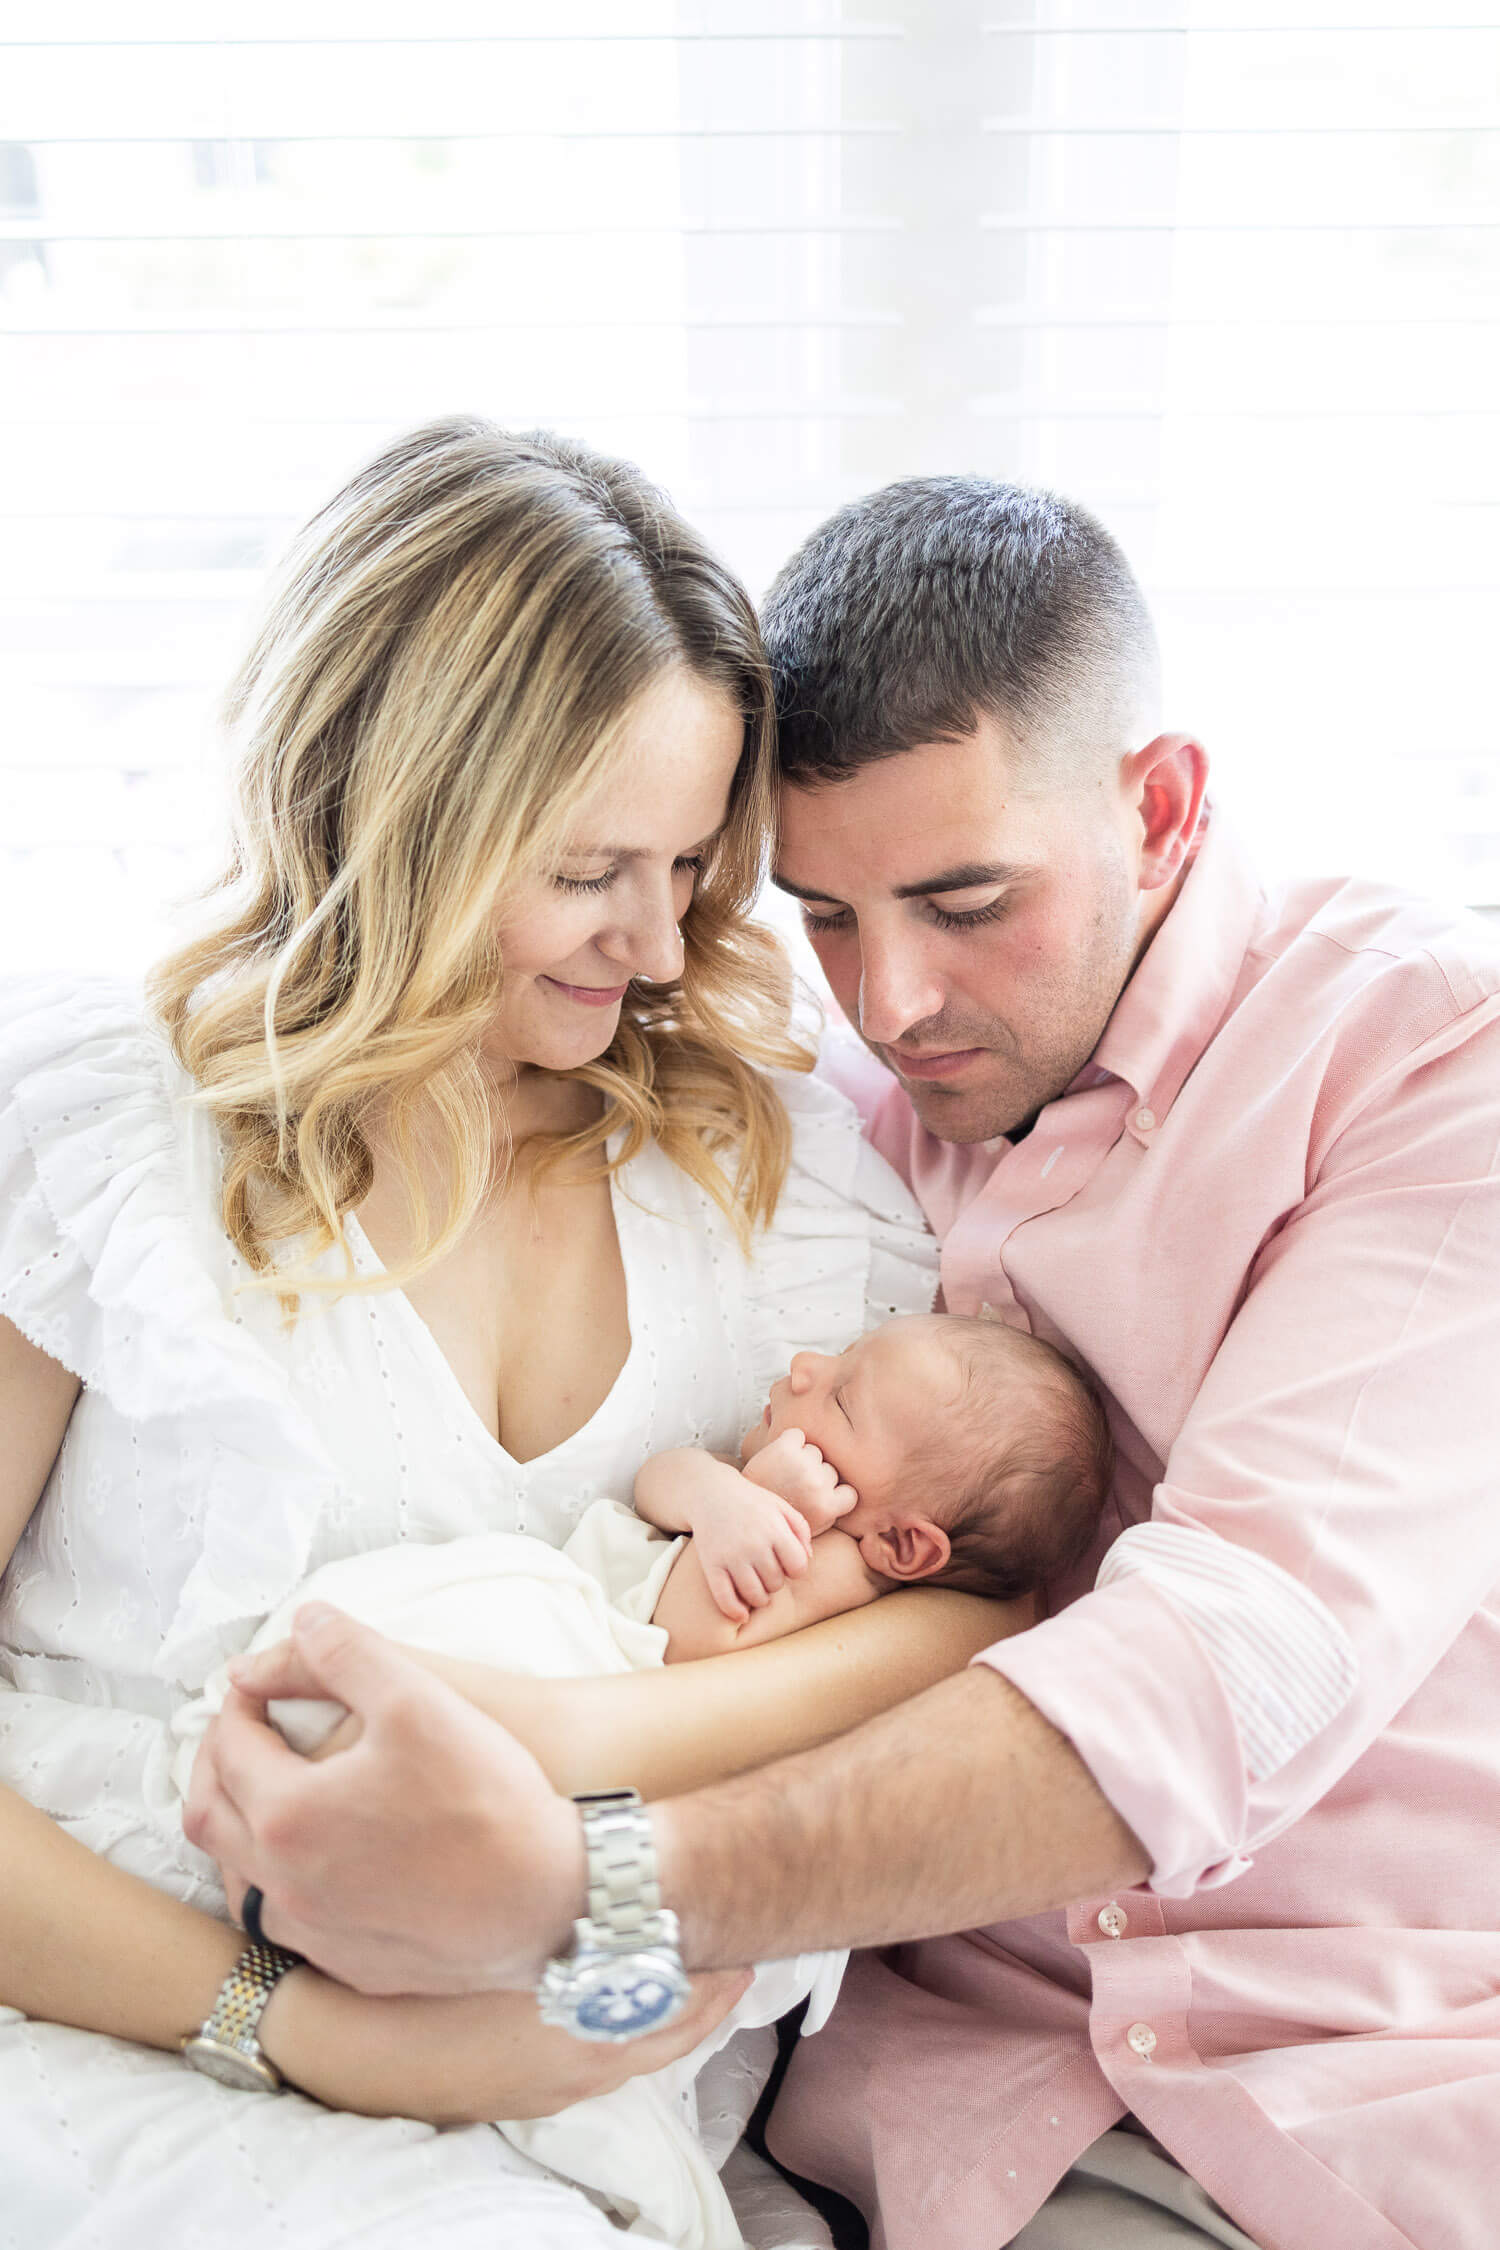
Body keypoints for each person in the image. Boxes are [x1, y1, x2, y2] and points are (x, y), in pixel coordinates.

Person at [193, 474, 1500, 2250]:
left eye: (968, 901)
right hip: (899, 2107)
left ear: (1162, 807)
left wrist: (594, 1889)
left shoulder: (1423, 1057)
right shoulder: (829, 1123)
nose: (888, 1000)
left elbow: (1236, 1658)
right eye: (823, 915)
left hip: (1343, 2070)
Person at [0, 422, 1034, 2250]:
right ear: (395, 809)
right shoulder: (106, 1134)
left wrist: (568, 1746)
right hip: (120, 2002)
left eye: (695, 868)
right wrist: (302, 2033)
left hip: (579, 2026)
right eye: (587, 868)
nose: (652, 944)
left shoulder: (771, 1176)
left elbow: (965, 1608)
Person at [165, 1312, 1110, 2249]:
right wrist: (725, 1499)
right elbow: (660, 1482)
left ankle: (369, 1953)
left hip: (623, 1727)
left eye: (846, 1397)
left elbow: (693, 1642)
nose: (809, 1365)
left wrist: (751, 1531)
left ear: (905, 1547)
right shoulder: (779, 1501)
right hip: (585, 1681)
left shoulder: (842, 1581)